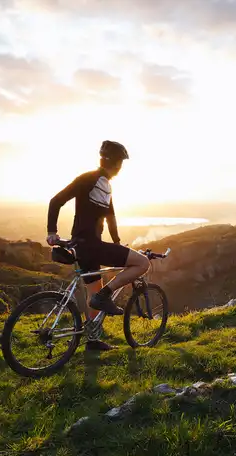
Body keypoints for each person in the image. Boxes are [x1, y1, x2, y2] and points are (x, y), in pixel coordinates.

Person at [46, 140, 150, 350]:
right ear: (115, 162)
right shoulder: (90, 180)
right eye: (120, 162)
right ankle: (105, 296)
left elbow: (110, 217)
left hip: (83, 247)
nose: (121, 168)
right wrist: (51, 231)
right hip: (92, 246)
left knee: (93, 292)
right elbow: (55, 201)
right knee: (143, 263)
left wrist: (118, 243)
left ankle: (92, 340)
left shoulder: (102, 183)